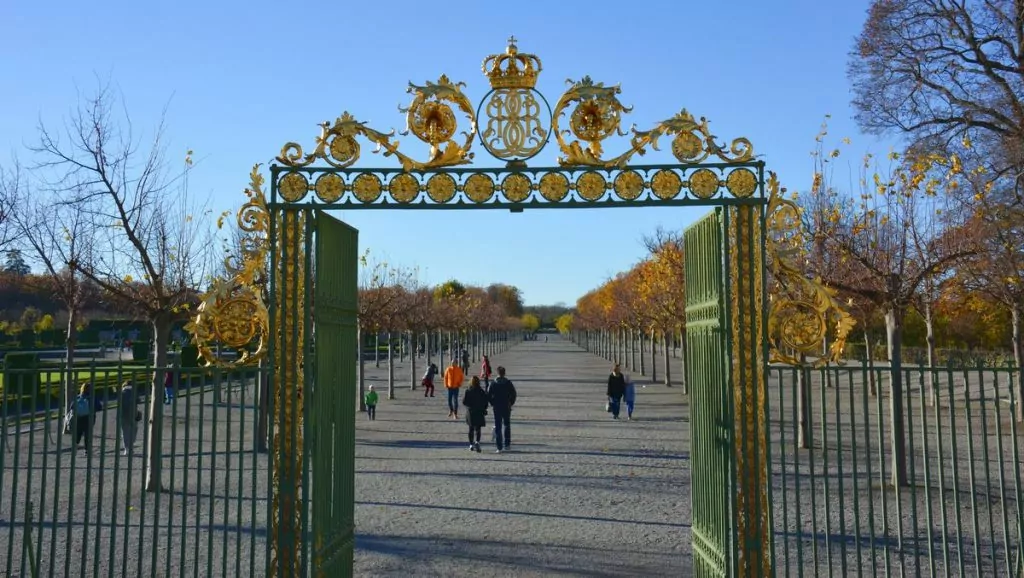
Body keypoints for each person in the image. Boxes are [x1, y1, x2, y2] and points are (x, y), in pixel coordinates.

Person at [488, 366, 517, 453]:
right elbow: (514, 394)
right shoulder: (508, 383)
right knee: (507, 425)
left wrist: (492, 403)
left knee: (498, 426)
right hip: (506, 406)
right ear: (504, 373)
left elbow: (489, 395)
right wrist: (510, 403)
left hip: (497, 406)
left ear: (497, 373)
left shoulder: (493, 383)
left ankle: (499, 446)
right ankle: (507, 444)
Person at [73, 381, 103, 452]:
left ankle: (75, 445)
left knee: (78, 432)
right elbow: (99, 407)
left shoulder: (78, 397)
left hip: (79, 417)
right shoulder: (92, 397)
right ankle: (87, 450)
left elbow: (72, 406)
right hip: (89, 417)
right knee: (87, 434)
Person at [462, 376, 488, 453]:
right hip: (479, 411)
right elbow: (485, 402)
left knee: (471, 429)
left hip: (471, 412)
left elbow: (464, 402)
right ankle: (477, 442)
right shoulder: (481, 391)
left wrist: (469, 406)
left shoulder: (468, 391)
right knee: (478, 429)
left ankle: (471, 444)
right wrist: (483, 408)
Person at [117, 380, 141, 455]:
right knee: (134, 429)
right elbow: (138, 401)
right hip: (133, 413)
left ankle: (127, 448)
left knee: (125, 432)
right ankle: (131, 444)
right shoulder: (134, 392)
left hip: (123, 414)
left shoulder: (121, 393)